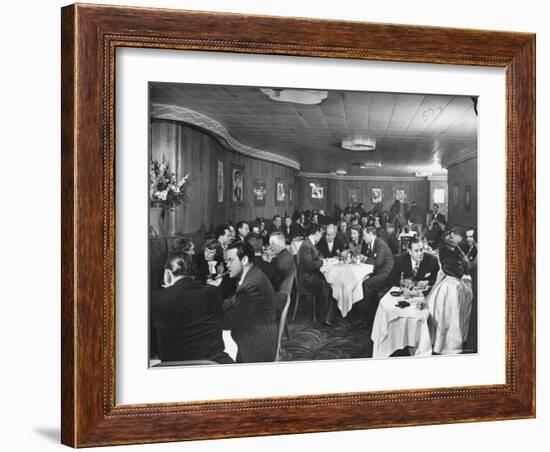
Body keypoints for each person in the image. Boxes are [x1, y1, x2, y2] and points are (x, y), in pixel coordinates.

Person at [151, 250, 233, 364]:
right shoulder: (214, 293)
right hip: (212, 362)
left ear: (168, 274)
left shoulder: (156, 299)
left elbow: (152, 347)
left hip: (173, 367)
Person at [222, 241, 278, 363]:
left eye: (231, 260)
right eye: (226, 261)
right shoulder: (253, 273)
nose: (227, 265)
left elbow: (227, 323)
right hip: (258, 332)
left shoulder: (251, 285)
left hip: (255, 344)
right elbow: (234, 300)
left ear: (244, 260)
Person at [426, 240, 474, 355]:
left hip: (449, 345)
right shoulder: (463, 281)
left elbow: (439, 315)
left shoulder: (450, 287)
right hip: (460, 337)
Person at [355, 227, 394, 326]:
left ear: (371, 234)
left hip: (386, 275)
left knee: (366, 284)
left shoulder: (380, 244)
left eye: (364, 235)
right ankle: (367, 314)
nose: (363, 238)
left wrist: (365, 258)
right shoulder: (373, 244)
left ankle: (367, 319)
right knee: (361, 281)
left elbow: (378, 262)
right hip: (379, 272)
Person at [297, 224, 335, 326]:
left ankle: (325, 315)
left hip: (311, 275)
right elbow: (310, 265)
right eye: (321, 235)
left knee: (328, 283)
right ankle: (324, 319)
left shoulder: (310, 243)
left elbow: (318, 254)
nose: (321, 237)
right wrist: (322, 262)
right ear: (317, 233)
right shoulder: (306, 245)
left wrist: (322, 259)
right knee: (327, 287)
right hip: (307, 278)